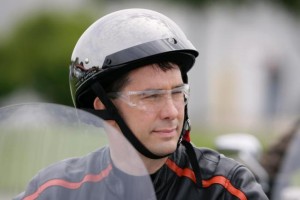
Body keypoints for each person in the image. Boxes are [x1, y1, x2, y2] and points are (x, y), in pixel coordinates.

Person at [15, 8, 268, 199]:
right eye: (151, 96)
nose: (171, 112)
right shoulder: (58, 190)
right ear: (103, 107)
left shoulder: (224, 188)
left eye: (177, 92)